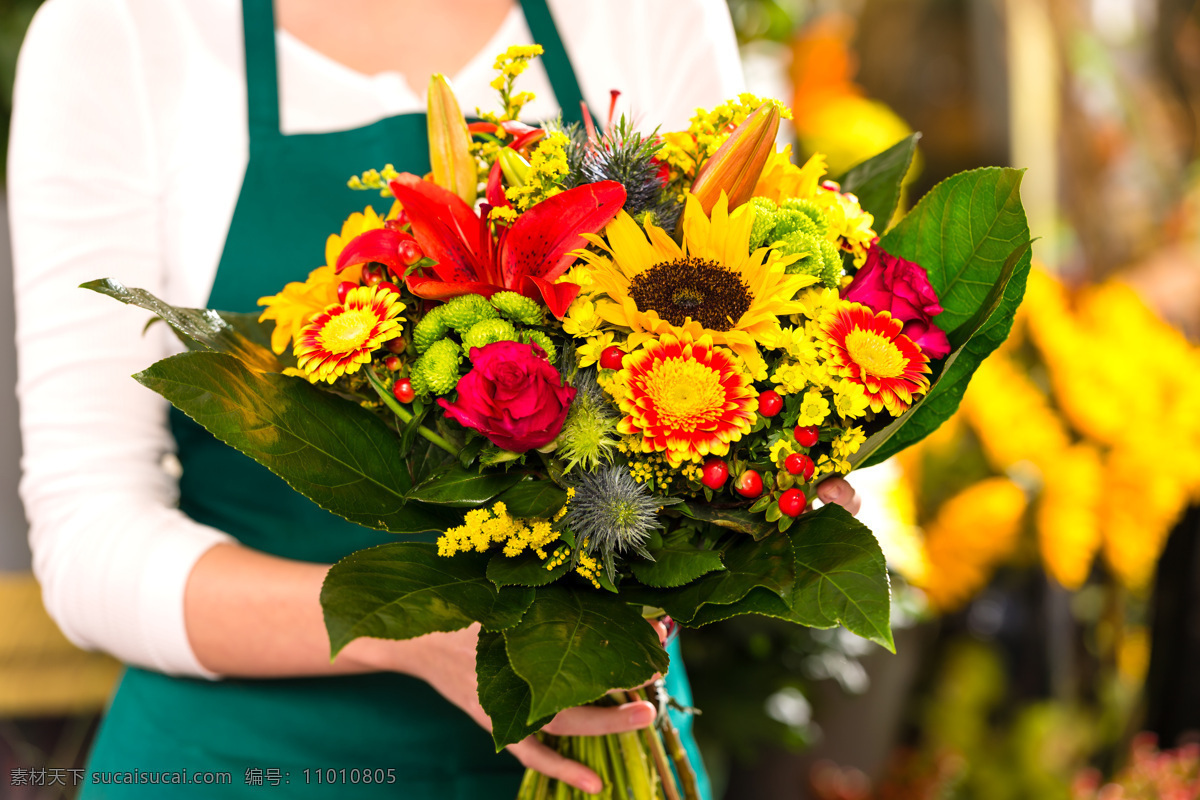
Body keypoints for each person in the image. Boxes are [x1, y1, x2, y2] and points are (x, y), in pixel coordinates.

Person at [9, 0, 863, 797]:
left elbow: (750, 340)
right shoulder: (117, 30)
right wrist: (411, 628)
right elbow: (89, 539)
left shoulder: (643, 12)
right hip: (245, 760)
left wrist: (772, 483)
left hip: (608, 732)